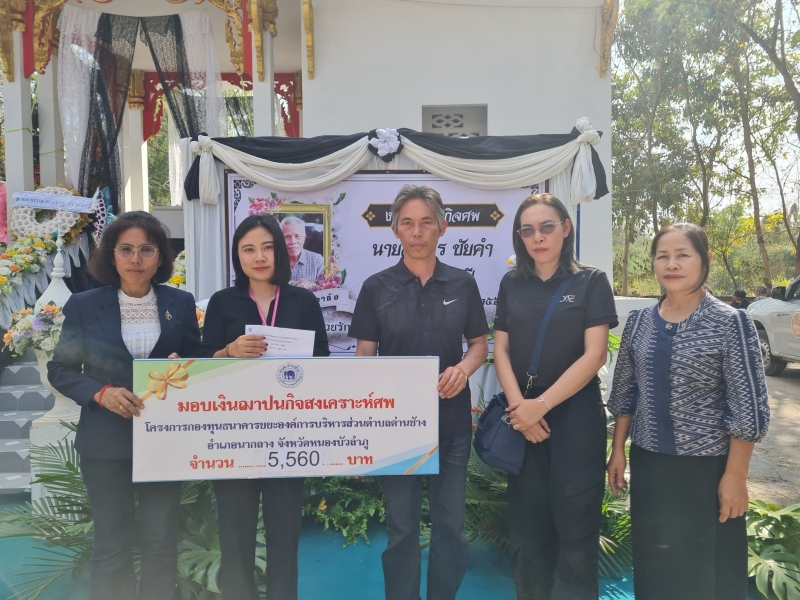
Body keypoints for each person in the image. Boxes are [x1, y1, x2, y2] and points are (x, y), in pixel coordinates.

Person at [607, 223, 770, 600]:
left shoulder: (730, 323)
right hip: (651, 466)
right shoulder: (639, 323)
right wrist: (618, 451)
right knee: (654, 564)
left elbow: (748, 411)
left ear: (705, 260)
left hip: (707, 471)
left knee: (707, 572)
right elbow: (625, 394)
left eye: (683, 255)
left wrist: (735, 477)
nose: (671, 264)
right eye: (662, 256)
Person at [47, 211, 201, 600]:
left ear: (160, 257)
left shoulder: (180, 302)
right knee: (112, 542)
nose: (136, 259)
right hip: (104, 442)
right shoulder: (84, 305)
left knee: (161, 541)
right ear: (111, 256)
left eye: (146, 249)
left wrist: (185, 365)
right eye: (126, 249)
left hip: (163, 439)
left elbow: (196, 362)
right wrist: (100, 393)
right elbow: (61, 369)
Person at [350, 185, 489, 600]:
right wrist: (363, 431)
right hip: (396, 426)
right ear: (394, 230)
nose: (417, 232)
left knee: (451, 527)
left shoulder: (463, 283)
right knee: (401, 530)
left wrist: (463, 369)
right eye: (407, 223)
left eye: (427, 222)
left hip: (452, 425)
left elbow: (479, 345)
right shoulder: (376, 287)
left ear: (442, 227)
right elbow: (364, 358)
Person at [492, 193, 617, 600]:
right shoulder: (511, 283)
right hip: (523, 423)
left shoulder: (591, 281)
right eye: (527, 230)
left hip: (576, 420)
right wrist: (520, 411)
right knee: (528, 528)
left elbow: (595, 355)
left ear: (565, 228)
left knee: (576, 525)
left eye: (547, 227)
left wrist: (541, 406)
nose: (538, 238)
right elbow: (501, 352)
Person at [200, 214, 329, 600]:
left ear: (281, 252)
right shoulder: (223, 302)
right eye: (249, 249)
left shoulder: (303, 301)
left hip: (288, 431)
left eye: (267, 247)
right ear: (237, 256)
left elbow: (323, 359)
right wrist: (228, 351)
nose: (259, 257)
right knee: (234, 533)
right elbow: (201, 364)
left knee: (284, 535)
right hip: (233, 433)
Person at [280, 216, 325, 282]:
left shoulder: (317, 261)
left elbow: (325, 287)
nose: (293, 242)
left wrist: (308, 286)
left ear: (304, 238)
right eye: (287, 237)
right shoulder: (273, 261)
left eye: (297, 236)